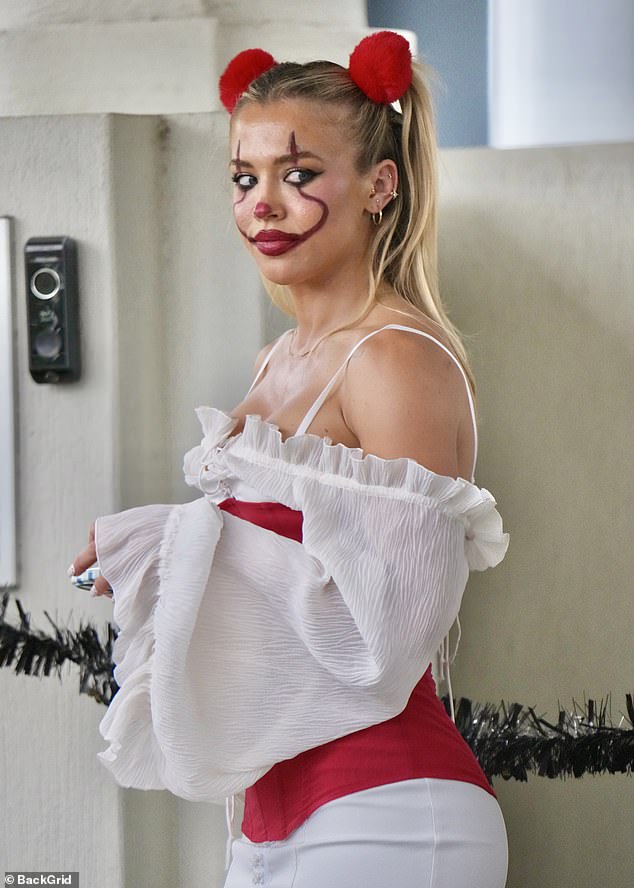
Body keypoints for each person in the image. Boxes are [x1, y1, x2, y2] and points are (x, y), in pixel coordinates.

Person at [71, 32, 509, 888]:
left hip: (387, 816)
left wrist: (176, 540)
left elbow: (390, 631)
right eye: (246, 176)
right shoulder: (281, 362)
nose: (263, 203)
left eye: (299, 173)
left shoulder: (391, 359)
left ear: (380, 185)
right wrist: (161, 552)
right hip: (272, 831)